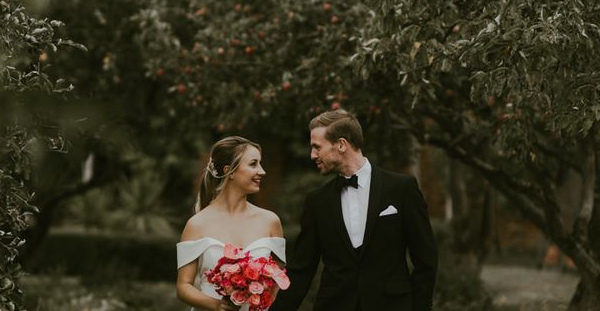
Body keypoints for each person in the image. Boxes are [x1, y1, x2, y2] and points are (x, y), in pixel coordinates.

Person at [272, 109, 437, 311]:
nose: (312, 155)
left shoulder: (401, 189)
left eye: (317, 147)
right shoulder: (317, 202)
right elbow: (301, 270)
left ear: (341, 144)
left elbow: (426, 262)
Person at [176, 136, 286, 311]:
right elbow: (183, 287)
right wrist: (217, 305)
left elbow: (279, 280)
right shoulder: (196, 224)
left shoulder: (271, 221)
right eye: (253, 164)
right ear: (230, 171)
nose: (262, 171)